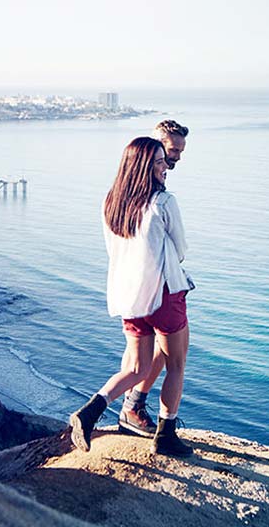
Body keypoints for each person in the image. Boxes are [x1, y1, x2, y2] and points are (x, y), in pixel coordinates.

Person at [69, 136, 194, 457]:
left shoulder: (111, 201)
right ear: (143, 167)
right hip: (164, 293)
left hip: (129, 295)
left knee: (137, 368)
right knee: (176, 363)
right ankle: (166, 435)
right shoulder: (164, 203)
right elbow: (181, 250)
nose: (166, 167)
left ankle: (89, 412)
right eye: (159, 162)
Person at [118, 120, 190, 437]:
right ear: (158, 144)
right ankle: (141, 413)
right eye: (171, 150)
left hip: (131, 283)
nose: (175, 158)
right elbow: (179, 246)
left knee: (150, 351)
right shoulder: (159, 195)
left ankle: (133, 404)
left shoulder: (128, 183)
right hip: (158, 284)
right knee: (165, 356)